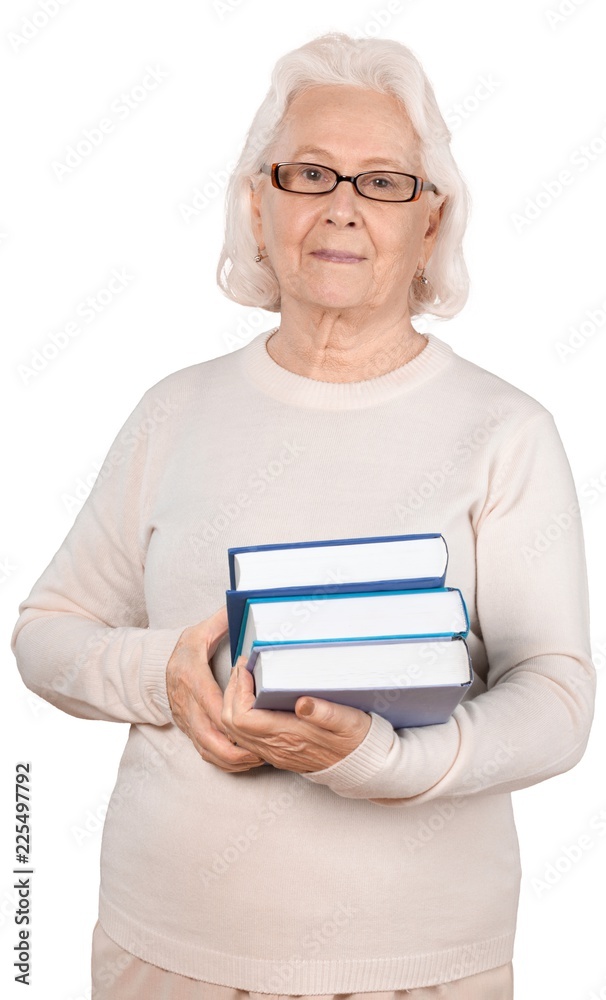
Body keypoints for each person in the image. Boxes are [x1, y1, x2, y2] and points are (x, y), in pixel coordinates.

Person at [11, 31, 595, 1000]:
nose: (342, 208)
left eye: (383, 183)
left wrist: (389, 760)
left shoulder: (506, 432)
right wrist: (167, 676)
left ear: (431, 218)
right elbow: (44, 634)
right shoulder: (174, 410)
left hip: (420, 973)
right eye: (310, 173)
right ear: (258, 201)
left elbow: (559, 701)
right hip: (164, 959)